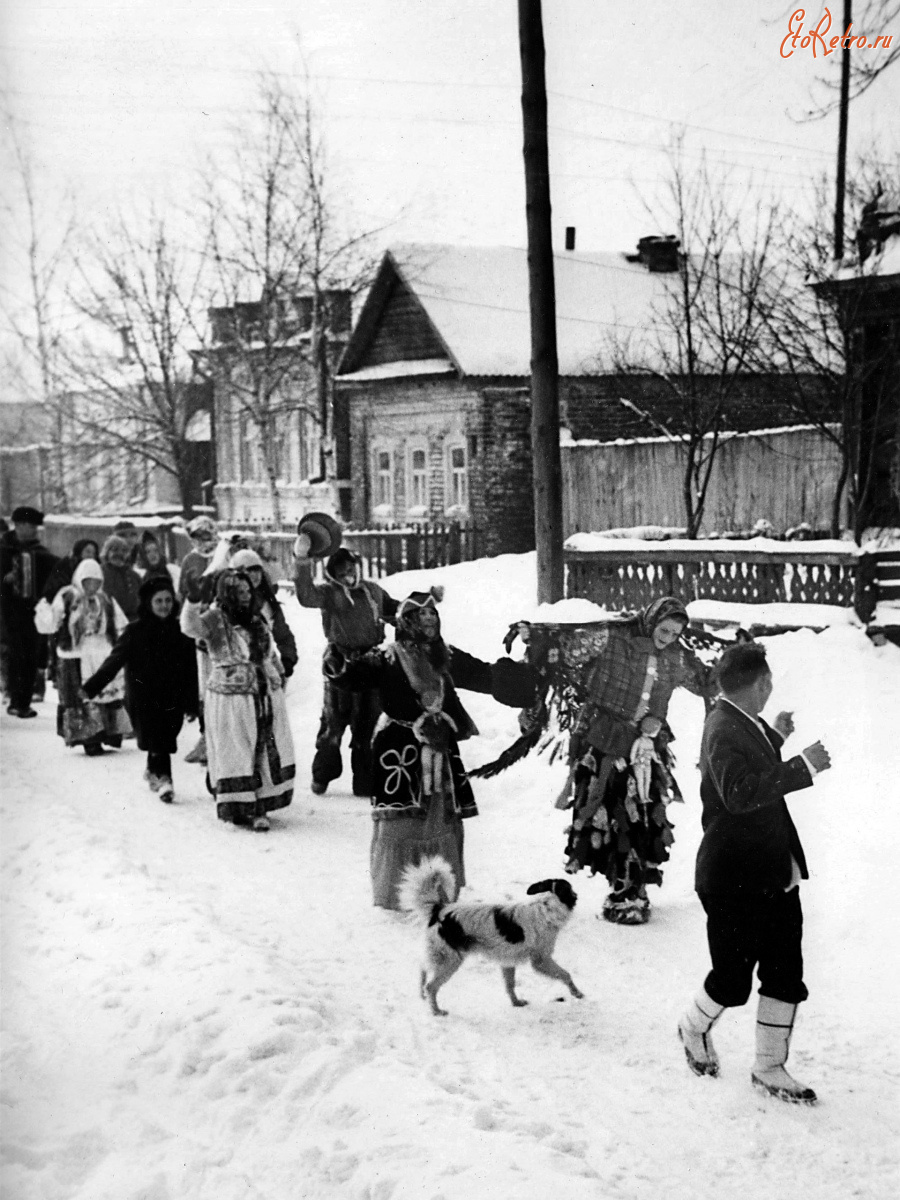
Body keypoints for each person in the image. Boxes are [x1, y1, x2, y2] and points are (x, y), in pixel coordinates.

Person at [677, 641, 831, 1105]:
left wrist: (776, 738)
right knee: (732, 981)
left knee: (785, 972)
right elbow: (739, 793)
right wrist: (802, 766)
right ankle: (692, 1027)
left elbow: (750, 766)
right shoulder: (722, 727)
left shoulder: (742, 721)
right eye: (769, 682)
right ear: (762, 683)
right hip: (733, 879)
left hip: (772, 872)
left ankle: (769, 1068)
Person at [331, 589, 538, 910]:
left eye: (433, 613)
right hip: (399, 746)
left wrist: (527, 675)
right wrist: (338, 663)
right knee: (403, 818)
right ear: (406, 621)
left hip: (439, 744)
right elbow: (354, 675)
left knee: (440, 817)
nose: (429, 619)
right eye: (421, 614)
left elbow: (484, 675)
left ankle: (439, 891)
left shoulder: (446, 655)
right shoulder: (388, 656)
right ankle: (396, 893)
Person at [563, 596, 715, 925]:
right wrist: (543, 640)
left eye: (675, 634)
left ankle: (635, 889)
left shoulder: (675, 656)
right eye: (664, 630)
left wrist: (738, 663)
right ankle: (621, 888)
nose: (668, 638)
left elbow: (705, 682)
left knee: (643, 815)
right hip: (604, 742)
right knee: (610, 816)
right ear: (651, 620)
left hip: (645, 750)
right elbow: (568, 653)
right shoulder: (615, 639)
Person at [181, 568, 295, 831]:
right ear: (226, 594)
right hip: (231, 699)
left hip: (264, 693)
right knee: (237, 750)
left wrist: (279, 672)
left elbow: (269, 652)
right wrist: (193, 601)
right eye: (238, 591)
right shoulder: (215, 619)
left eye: (247, 591)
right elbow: (190, 627)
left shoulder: (257, 619)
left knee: (264, 748)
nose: (245, 596)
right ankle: (241, 805)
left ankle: (261, 804)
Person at [293, 539, 399, 796]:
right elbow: (306, 596)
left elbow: (396, 611)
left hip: (371, 664)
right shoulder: (330, 593)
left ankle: (365, 781)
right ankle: (323, 774)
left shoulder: (373, 591)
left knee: (369, 722)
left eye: (350, 570)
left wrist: (425, 602)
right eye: (341, 573)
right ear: (333, 575)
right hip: (340, 664)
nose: (348, 576)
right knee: (334, 722)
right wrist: (302, 560)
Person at [82, 576, 199, 802]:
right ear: (148, 603)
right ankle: (164, 779)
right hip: (143, 697)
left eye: (168, 600)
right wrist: (91, 687)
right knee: (157, 737)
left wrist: (191, 703)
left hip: (172, 697)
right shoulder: (135, 631)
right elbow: (114, 661)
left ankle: (153, 769)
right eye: (158, 601)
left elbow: (190, 669)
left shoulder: (181, 631)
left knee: (164, 737)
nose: (164, 606)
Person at [49, 558, 131, 754]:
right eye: (88, 581)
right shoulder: (68, 596)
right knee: (82, 695)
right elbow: (54, 620)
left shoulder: (106, 600)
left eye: (96, 581)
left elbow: (121, 623)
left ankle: (107, 734)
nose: (92, 586)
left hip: (101, 649)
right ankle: (89, 738)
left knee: (104, 691)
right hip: (76, 652)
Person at [0, 506, 59, 717]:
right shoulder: (4, 549)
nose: (34, 531)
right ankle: (15, 699)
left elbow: (54, 570)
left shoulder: (39, 552)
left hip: (32, 611)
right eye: (31, 526)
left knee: (30, 654)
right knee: (15, 653)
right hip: (7, 611)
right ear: (18, 525)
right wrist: (5, 579)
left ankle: (22, 701)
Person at [178, 516, 218, 764]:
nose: (202, 542)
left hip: (220, 621)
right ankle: (206, 738)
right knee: (204, 685)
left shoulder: (223, 555)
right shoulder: (190, 560)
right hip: (198, 622)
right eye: (197, 537)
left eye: (206, 536)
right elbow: (182, 591)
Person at [230, 548, 297, 680]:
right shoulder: (227, 605)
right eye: (249, 571)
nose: (255, 575)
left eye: (257, 570)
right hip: (235, 674)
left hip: (266, 671)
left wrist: (287, 659)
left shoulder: (268, 603)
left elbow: (283, 635)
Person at [99, 534, 142, 621]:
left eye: (124, 551)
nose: (119, 553)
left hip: (133, 621)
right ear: (107, 552)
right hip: (109, 621)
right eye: (115, 550)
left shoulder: (134, 576)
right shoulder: (99, 573)